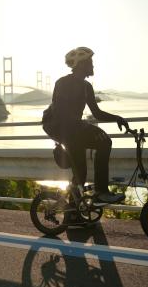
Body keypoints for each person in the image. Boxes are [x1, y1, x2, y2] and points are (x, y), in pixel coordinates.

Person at [42, 46, 129, 206]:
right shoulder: (62, 83)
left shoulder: (86, 86)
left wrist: (117, 118)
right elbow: (61, 113)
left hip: (74, 129)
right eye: (90, 62)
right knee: (95, 152)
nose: (93, 66)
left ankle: (75, 212)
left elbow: (96, 113)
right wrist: (86, 128)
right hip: (61, 128)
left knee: (81, 171)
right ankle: (100, 192)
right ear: (80, 65)